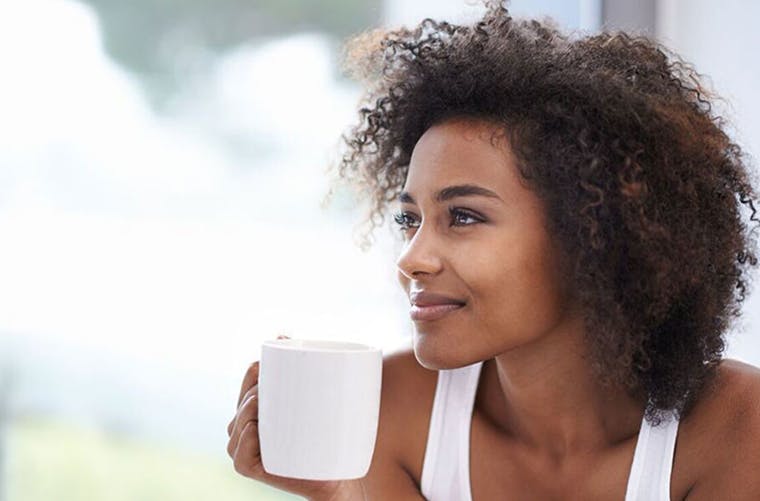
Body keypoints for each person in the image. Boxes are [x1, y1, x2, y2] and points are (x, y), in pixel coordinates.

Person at [226, 1, 760, 499]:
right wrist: (339, 493)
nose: (411, 258)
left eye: (463, 216)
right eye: (410, 219)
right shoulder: (391, 411)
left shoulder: (735, 426)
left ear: (592, 238)